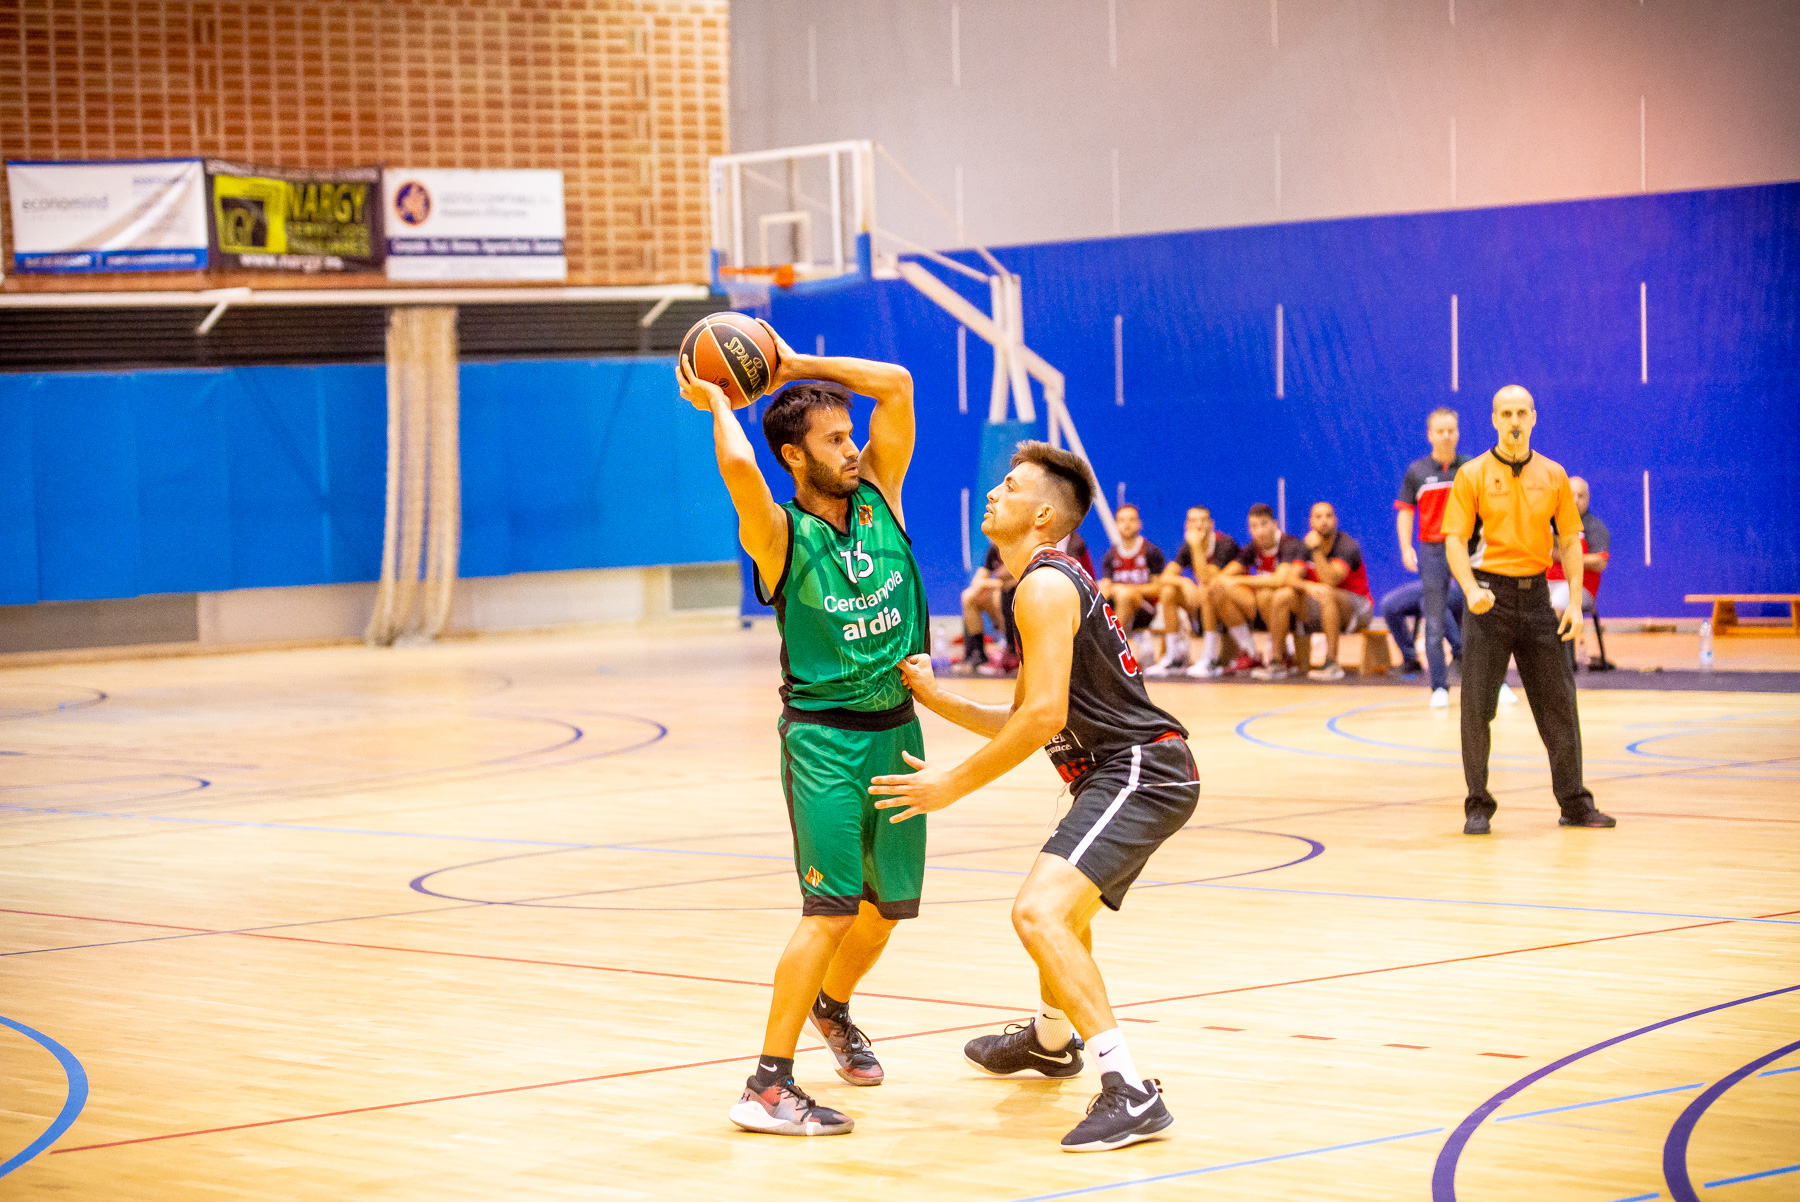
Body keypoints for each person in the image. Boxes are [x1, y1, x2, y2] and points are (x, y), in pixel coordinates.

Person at [871, 441, 1194, 1152]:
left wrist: (947, 787)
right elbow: (1028, 716)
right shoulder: (1048, 583)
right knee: (1065, 918)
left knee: (1037, 911)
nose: (993, 492)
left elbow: (1043, 720)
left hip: (1140, 770)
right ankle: (1051, 1042)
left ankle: (1129, 1091)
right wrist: (936, 695)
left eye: (1010, 486)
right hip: (1122, 772)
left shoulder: (1043, 587)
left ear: (1043, 515)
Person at [678, 332, 930, 1138]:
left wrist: (789, 365)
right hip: (824, 739)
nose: (852, 449)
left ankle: (833, 1005)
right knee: (826, 910)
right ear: (794, 455)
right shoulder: (781, 536)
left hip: (899, 731)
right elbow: (739, 475)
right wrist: (720, 401)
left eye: (851, 436)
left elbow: (895, 383)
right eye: (833, 439)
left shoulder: (883, 496)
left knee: (884, 912)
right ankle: (766, 1085)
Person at [1441, 385, 1616, 835]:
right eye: (1506, 413)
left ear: (1534, 417)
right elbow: (1455, 541)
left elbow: (1570, 540)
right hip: (1489, 600)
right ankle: (1477, 805)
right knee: (1476, 707)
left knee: (1559, 705)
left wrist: (1575, 601)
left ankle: (1574, 803)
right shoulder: (1473, 474)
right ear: (1494, 419)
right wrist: (1469, 587)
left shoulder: (1554, 475)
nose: (1514, 420)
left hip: (1539, 599)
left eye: (1522, 412)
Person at [1396, 408, 1471, 708]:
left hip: (1465, 546)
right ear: (1430, 435)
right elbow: (1405, 512)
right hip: (1432, 550)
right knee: (1435, 619)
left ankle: (1497, 684)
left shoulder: (1469, 468)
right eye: (1440, 431)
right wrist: (1406, 547)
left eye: (1451, 430)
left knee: (1482, 617)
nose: (1446, 435)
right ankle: (1439, 687)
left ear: (1458, 432)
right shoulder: (1416, 471)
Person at [1208, 503, 1308, 678]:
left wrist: (1236, 580)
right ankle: (1250, 653)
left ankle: (1281, 653)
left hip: (1293, 610)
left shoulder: (1290, 544)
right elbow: (1222, 577)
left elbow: (1279, 580)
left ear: (1274, 524)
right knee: (1219, 590)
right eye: (1254, 526)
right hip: (1261, 610)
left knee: (1267, 594)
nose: (1259, 531)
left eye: (1263, 524)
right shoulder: (1251, 548)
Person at [1146, 506, 1241, 677]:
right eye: (1193, 521)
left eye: (1203, 520)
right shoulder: (1187, 547)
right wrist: (1185, 581)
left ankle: (1210, 658)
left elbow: (1206, 578)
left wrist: (1196, 546)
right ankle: (1174, 658)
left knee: (1207, 589)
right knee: (1169, 591)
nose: (1199, 525)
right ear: (1186, 525)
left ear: (1211, 524)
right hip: (1205, 604)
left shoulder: (1225, 544)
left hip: (1234, 607)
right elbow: (1165, 577)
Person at [1296, 502, 1374, 681]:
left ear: (1336, 520)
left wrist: (1316, 551)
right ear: (1311, 522)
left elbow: (1330, 580)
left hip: (1358, 608)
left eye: (1329, 516)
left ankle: (1332, 663)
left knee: (1326, 592)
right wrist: (1307, 586)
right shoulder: (1305, 545)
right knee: (1286, 596)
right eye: (1318, 517)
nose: (1324, 521)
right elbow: (1289, 578)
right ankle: (1282, 661)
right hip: (1325, 605)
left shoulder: (1347, 545)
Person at [1097, 503, 1166, 645]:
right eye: (1122, 520)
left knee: (1123, 594)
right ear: (1116, 524)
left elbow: (1158, 588)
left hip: (1145, 610)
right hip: (1117, 607)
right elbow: (1106, 586)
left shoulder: (1151, 551)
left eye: (1131, 520)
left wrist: (1127, 590)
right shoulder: (1110, 555)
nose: (1127, 524)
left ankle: (1113, 647)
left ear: (1139, 524)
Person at [1380, 578, 1465, 676]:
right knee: (1390, 604)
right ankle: (1410, 660)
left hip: (1461, 582)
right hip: (1435, 579)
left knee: (1429, 602)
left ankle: (1460, 654)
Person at [958, 545, 1014, 675]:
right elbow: (978, 581)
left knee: (998, 596)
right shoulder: (994, 550)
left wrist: (997, 582)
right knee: (969, 597)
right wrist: (997, 583)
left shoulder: (1018, 546)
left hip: (1018, 593)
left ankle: (1010, 650)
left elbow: (1017, 576)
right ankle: (976, 654)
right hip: (1003, 589)